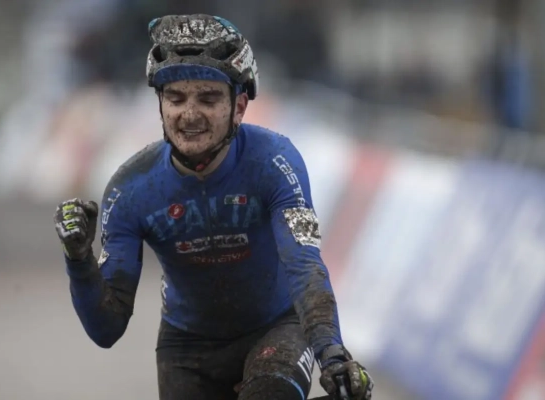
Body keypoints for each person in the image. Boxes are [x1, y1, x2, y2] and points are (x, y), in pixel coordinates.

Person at [54, 14, 373, 400]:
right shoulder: (130, 189)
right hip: (188, 349)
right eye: (175, 98)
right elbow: (106, 329)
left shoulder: (275, 161)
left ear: (239, 106)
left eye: (208, 98)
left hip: (276, 328)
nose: (189, 115)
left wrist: (333, 356)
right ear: (160, 104)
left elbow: (304, 266)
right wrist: (78, 259)